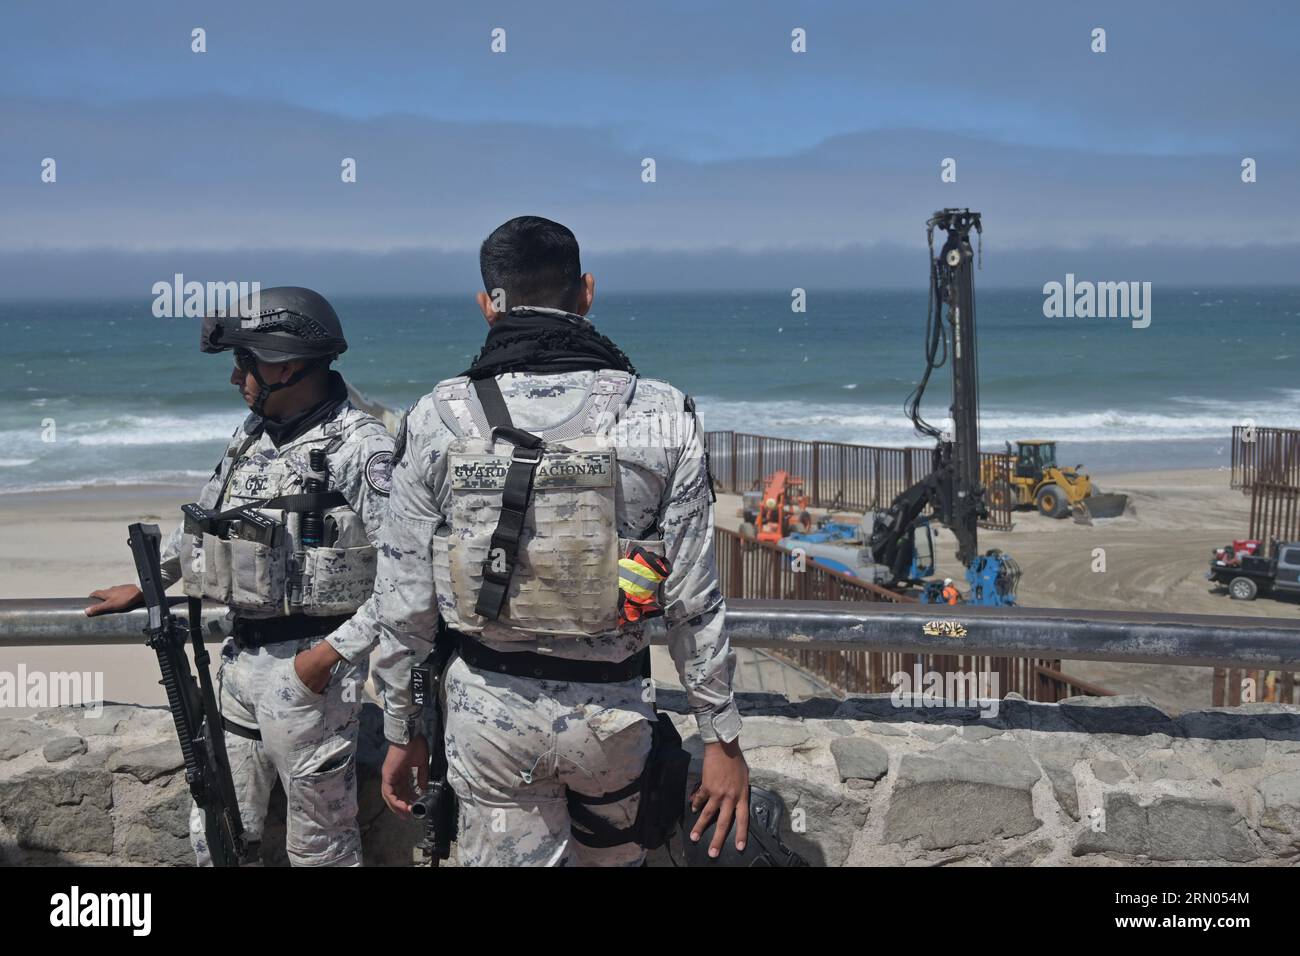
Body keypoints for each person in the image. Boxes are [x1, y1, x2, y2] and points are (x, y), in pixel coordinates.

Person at [340, 215, 747, 865]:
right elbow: (693, 599)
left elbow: (405, 603)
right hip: (613, 719)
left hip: (489, 717)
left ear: (487, 305)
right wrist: (721, 740)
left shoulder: (438, 416)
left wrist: (400, 729)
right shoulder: (664, 412)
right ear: (586, 292)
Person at [85, 287, 394, 866]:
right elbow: (210, 519)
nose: (235, 379)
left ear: (285, 364)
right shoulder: (253, 432)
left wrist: (327, 657)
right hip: (237, 661)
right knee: (220, 829)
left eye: (243, 363)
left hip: (313, 677)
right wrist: (152, 579)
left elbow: (409, 576)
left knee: (321, 847)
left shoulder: (361, 448)